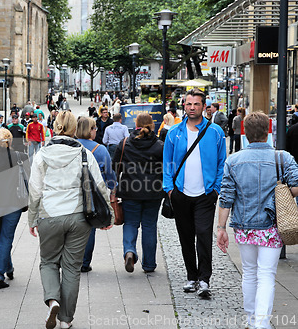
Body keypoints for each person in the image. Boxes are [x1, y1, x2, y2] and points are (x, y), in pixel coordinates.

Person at [28, 111, 112, 329]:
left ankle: (53, 299)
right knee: (72, 268)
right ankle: (66, 320)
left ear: (55, 127)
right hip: (78, 217)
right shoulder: (84, 153)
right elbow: (100, 186)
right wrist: (109, 214)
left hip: (49, 216)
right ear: (75, 129)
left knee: (48, 262)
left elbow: (35, 191)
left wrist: (32, 219)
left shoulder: (41, 155)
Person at [217, 112, 298, 329]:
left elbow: (226, 198)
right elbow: (296, 187)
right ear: (267, 132)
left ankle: (252, 319)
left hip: (244, 227)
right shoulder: (283, 158)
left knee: (250, 273)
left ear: (245, 133)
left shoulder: (233, 161)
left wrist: (221, 228)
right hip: (272, 226)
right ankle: (261, 324)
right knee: (266, 274)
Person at [163, 88, 226, 299]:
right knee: (186, 237)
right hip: (180, 193)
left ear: (204, 106)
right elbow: (167, 164)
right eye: (188, 104)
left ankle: (204, 279)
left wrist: (216, 188)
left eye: (196, 104)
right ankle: (192, 276)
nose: (192, 108)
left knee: (203, 235)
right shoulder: (174, 132)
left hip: (206, 193)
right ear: (184, 105)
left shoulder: (215, 131)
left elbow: (221, 163)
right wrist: (169, 189)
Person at [113, 113, 164, 273]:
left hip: (130, 191)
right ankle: (149, 264)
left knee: (131, 223)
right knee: (149, 226)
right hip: (153, 192)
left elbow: (115, 167)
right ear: (152, 125)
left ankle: (129, 251)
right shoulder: (159, 145)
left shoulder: (125, 143)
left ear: (136, 125)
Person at [0, 128, 30, 289]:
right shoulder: (21, 157)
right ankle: (1, 273)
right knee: (6, 238)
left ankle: (2, 271)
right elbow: (28, 179)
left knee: (1, 237)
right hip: (14, 204)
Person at [76, 117, 117, 272]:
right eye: (94, 128)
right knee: (89, 227)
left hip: (72, 193)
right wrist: (113, 189)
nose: (96, 131)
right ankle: (85, 263)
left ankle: (72, 260)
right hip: (91, 194)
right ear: (90, 130)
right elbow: (109, 174)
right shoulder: (99, 149)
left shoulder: (72, 146)